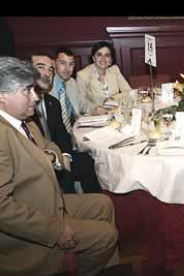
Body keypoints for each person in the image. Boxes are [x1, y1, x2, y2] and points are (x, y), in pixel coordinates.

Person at [0, 56, 118, 276]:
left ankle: (100, 267)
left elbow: (51, 145)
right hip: (30, 226)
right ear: (2, 96)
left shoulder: (24, 122)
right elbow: (2, 209)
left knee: (104, 203)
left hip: (49, 201)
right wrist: (55, 231)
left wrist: (53, 158)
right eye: (27, 90)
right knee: (107, 235)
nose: (35, 97)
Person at [30, 52, 102, 193]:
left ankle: (92, 201)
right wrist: (57, 159)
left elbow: (61, 133)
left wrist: (66, 156)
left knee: (89, 161)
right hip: (38, 162)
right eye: (40, 67)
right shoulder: (23, 106)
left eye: (50, 69)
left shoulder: (53, 102)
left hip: (61, 149)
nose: (47, 73)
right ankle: (70, 207)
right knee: (67, 176)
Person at [76, 41, 132, 113]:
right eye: (99, 55)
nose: (103, 58)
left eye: (107, 55)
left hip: (117, 113)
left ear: (111, 60)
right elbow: (81, 103)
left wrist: (113, 98)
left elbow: (129, 92)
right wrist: (94, 109)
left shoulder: (115, 70)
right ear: (93, 58)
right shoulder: (83, 75)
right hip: (96, 117)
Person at [51, 47, 105, 118]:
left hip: (77, 124)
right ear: (54, 64)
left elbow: (81, 104)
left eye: (71, 64)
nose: (67, 68)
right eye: (63, 63)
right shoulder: (48, 86)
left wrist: (94, 109)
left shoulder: (71, 82)